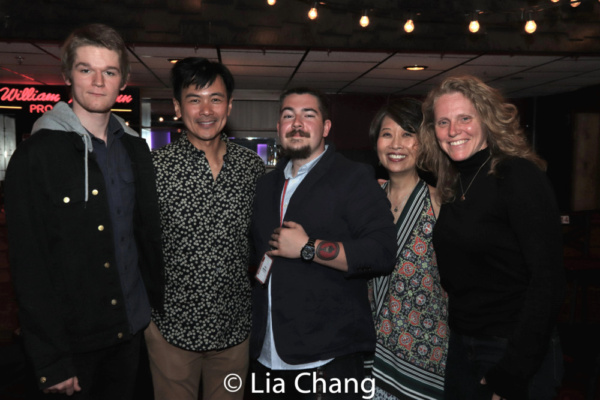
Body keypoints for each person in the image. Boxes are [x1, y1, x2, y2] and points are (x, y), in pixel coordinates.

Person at [5, 23, 164, 399]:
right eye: (85, 69)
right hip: (73, 345)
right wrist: (51, 361)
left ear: (123, 81)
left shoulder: (136, 150)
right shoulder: (35, 156)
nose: (97, 81)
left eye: (109, 72)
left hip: (132, 332)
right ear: (67, 75)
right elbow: (29, 266)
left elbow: (144, 237)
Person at [418, 75, 565, 400]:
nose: (453, 130)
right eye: (443, 122)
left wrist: (514, 369)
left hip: (512, 348)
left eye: (464, 118)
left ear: (486, 120)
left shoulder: (517, 175)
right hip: (462, 343)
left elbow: (548, 280)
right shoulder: (455, 182)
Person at [250, 87, 397, 399]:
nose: (297, 123)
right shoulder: (266, 186)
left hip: (325, 360)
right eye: (288, 116)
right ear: (278, 128)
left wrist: (308, 248)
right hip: (266, 355)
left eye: (309, 115)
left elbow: (381, 253)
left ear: (326, 128)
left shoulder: (353, 177)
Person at [147, 57, 265, 400]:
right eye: (194, 99)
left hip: (234, 328)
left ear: (229, 105)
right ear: (177, 106)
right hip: (172, 328)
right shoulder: (155, 169)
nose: (205, 109)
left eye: (215, 98)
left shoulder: (251, 168)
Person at [367, 98, 449, 399]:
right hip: (370, 352)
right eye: (387, 134)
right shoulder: (365, 199)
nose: (396, 144)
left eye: (407, 134)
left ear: (423, 142)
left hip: (424, 352)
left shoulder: (440, 203)